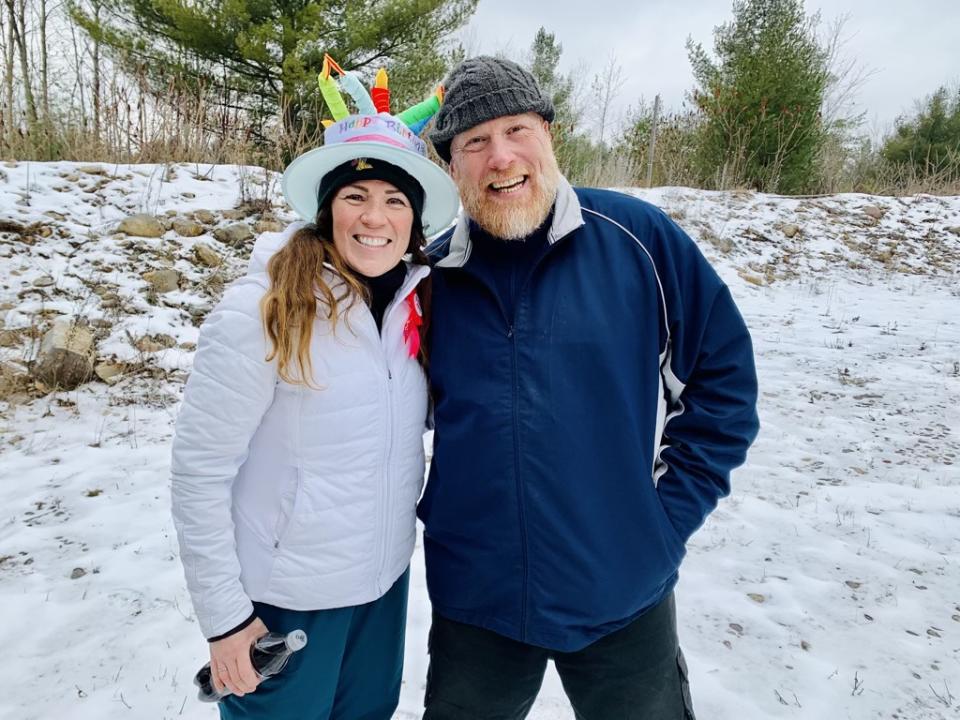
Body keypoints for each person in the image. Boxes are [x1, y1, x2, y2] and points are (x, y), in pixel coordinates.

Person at [417, 56, 760, 720]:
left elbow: (724, 381)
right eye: (474, 142)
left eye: (516, 130)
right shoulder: (429, 277)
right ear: (451, 165)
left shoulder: (638, 241)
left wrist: (662, 523)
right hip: (476, 600)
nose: (500, 156)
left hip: (621, 590)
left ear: (550, 135)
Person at [169, 99, 459, 719]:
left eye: (395, 200)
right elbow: (199, 473)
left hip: (381, 589)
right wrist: (225, 621)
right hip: (284, 602)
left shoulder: (415, 310)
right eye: (356, 195)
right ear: (327, 211)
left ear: (414, 221)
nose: (374, 218)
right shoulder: (262, 313)